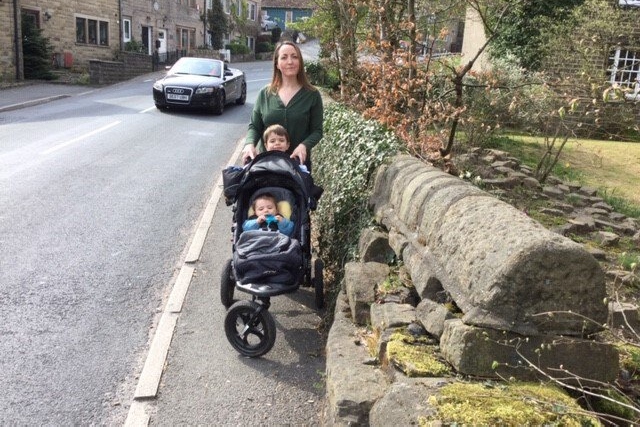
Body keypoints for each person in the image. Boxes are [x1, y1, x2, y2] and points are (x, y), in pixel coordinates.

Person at [242, 41, 323, 170]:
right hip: (267, 164)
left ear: (300, 62)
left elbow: (317, 131)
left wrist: (304, 146)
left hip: (297, 165)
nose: (290, 61)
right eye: (284, 57)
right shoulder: (265, 94)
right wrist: (249, 144)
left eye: (294, 57)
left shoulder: (312, 95)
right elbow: (254, 126)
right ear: (277, 64)